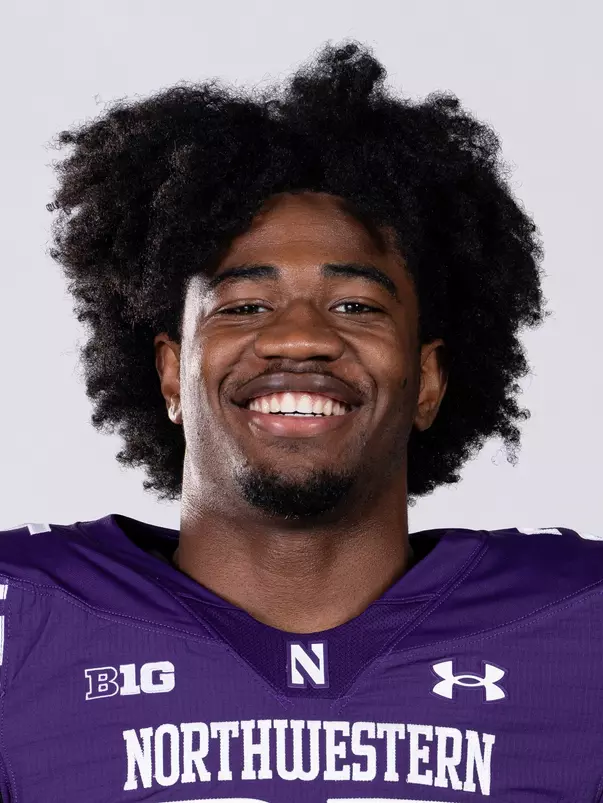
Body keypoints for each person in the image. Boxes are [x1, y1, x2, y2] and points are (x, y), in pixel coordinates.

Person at [0, 40, 601, 803]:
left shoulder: (582, 628)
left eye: (356, 305)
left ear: (428, 380)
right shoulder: (22, 620)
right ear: (168, 372)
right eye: (244, 305)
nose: (299, 337)